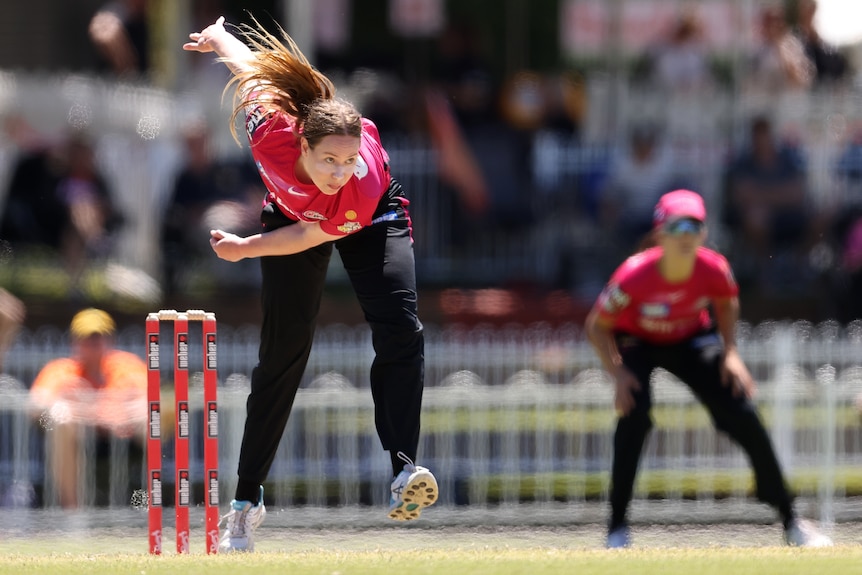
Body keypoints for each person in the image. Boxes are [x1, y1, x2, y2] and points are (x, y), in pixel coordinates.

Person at [183, 16, 438, 552]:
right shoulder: (269, 129)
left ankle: (403, 469)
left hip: (367, 220)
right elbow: (252, 71)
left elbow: (308, 237)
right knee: (282, 354)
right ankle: (245, 504)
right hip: (290, 213)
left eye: (347, 160)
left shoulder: (358, 186)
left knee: (399, 328)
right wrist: (217, 37)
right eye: (328, 160)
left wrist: (247, 248)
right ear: (301, 142)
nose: (339, 169)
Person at [584, 189, 833, 549]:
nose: (686, 235)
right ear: (659, 234)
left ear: (703, 233)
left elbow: (727, 303)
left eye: (695, 226)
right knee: (634, 415)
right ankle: (617, 529)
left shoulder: (714, 267)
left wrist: (730, 352)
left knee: (741, 409)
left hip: (691, 338)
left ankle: (792, 522)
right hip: (637, 340)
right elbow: (596, 325)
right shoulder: (633, 275)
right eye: (677, 226)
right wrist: (618, 373)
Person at [28, 308, 146, 509]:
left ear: (111, 340)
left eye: (99, 338)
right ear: (74, 342)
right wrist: (77, 409)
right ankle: (73, 513)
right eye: (86, 339)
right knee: (60, 418)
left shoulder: (128, 366)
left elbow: (152, 403)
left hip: (125, 439)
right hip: (79, 440)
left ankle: (146, 507)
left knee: (151, 420)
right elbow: (35, 407)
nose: (93, 345)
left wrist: (120, 413)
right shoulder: (60, 370)